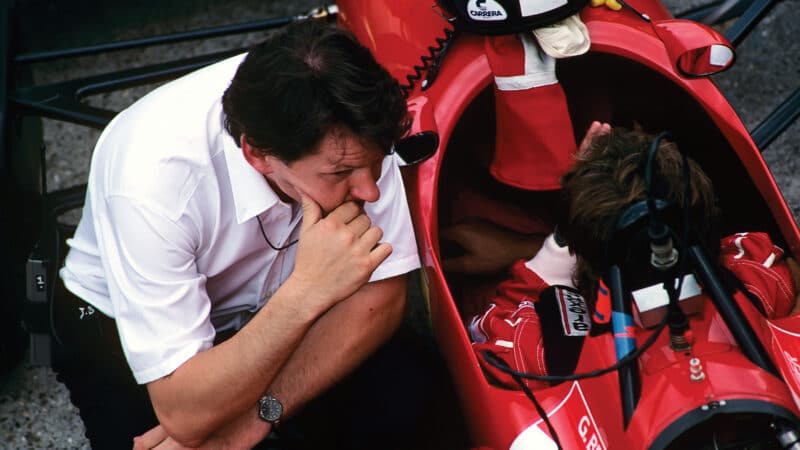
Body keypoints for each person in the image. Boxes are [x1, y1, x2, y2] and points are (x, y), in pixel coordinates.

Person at [54, 19, 425, 449]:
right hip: (123, 326)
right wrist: (307, 291)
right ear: (259, 155)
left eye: (375, 163)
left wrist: (261, 415)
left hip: (278, 304)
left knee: (407, 396)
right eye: (340, 173)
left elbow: (381, 298)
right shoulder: (153, 178)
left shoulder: (351, 120)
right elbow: (185, 411)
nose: (370, 190)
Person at [443, 125, 800, 389]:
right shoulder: (755, 271)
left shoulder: (543, 353)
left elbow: (491, 330)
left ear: (579, 258)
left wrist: (561, 236)